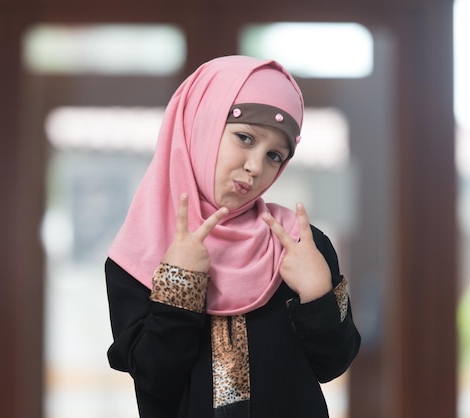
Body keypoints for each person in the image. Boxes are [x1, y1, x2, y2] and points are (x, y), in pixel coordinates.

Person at [105, 55, 361, 418]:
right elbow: (155, 379)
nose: (256, 167)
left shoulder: (298, 245)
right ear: (201, 126)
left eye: (274, 155)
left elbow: (332, 364)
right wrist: (180, 285)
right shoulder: (139, 254)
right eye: (244, 137)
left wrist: (318, 296)